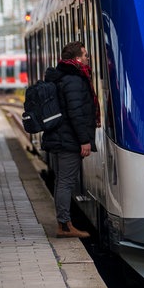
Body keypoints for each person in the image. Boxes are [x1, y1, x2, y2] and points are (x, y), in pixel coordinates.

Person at [41, 41, 100, 238]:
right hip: (69, 140)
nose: (87, 58)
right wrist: (85, 141)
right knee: (66, 182)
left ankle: (64, 223)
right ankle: (65, 226)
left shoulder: (64, 77)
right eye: (85, 55)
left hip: (61, 137)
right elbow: (76, 113)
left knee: (62, 182)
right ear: (76, 59)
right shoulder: (74, 80)